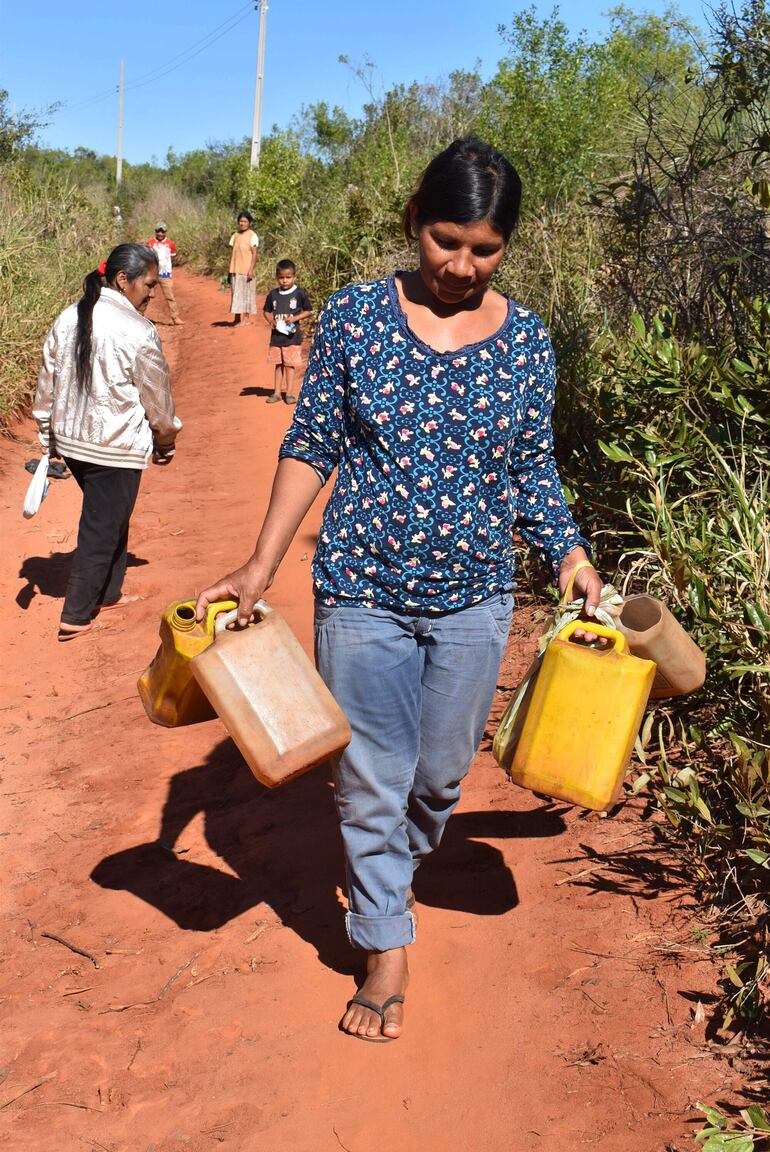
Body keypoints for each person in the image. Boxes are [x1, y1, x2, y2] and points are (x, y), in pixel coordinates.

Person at [195, 138, 603, 1042]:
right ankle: (383, 937)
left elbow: (532, 466)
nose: (460, 265)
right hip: (362, 590)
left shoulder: (527, 339)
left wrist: (570, 559)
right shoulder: (354, 318)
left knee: (440, 774)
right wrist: (261, 564)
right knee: (373, 774)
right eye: (445, 240)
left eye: (483, 249)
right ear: (415, 222)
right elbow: (314, 445)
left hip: (475, 597)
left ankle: (394, 867)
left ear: (506, 247)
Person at [34, 243, 182, 641]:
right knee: (101, 525)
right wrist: (165, 438)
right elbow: (158, 397)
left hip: (73, 441)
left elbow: (47, 380)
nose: (152, 293)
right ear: (123, 280)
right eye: (148, 285)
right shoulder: (137, 329)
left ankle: (110, 592)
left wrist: (47, 436)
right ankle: (75, 616)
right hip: (114, 446)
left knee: (112, 514)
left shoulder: (68, 316)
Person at [262, 259, 312, 404]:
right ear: (277, 277)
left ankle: (289, 393)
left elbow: (308, 311)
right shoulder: (273, 295)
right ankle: (277, 393)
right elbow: (266, 311)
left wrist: (295, 318)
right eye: (281, 277)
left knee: (290, 365)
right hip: (277, 338)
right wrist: (270, 320)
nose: (284, 281)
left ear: (294, 277)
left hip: (292, 337)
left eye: (288, 277)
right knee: (278, 365)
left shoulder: (299, 293)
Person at [146, 221, 184, 325]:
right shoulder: (150, 243)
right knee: (146, 294)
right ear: (155, 231)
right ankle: (140, 315)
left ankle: (175, 317)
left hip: (165, 274)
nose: (160, 234)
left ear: (165, 232)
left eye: (162, 231)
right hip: (152, 273)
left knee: (170, 296)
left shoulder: (170, 243)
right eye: (158, 231)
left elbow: (172, 256)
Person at [228, 211, 259, 325]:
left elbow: (254, 254)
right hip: (235, 269)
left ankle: (246, 319)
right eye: (241, 221)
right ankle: (237, 318)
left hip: (246, 270)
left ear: (250, 223)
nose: (242, 223)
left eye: (245, 221)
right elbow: (234, 252)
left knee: (246, 294)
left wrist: (251, 269)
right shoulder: (235, 235)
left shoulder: (253, 235)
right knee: (236, 293)